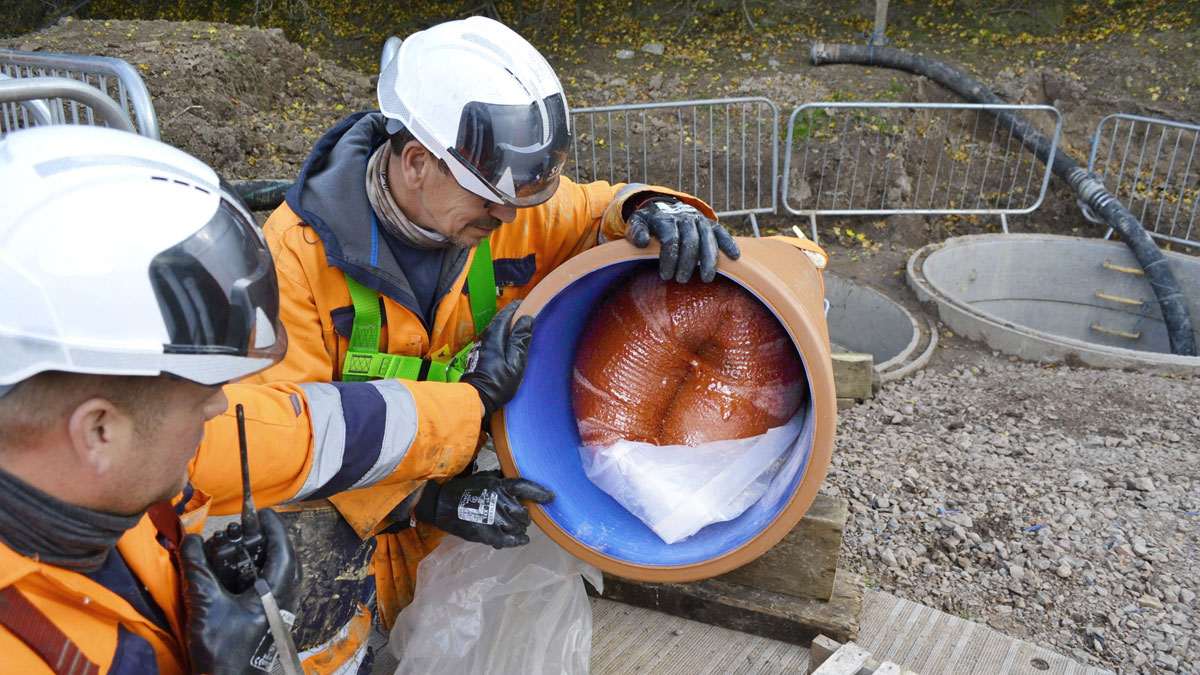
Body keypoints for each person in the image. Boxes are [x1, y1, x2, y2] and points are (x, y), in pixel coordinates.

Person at [243, 14, 743, 669]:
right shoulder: (297, 260)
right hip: (352, 512)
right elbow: (284, 443)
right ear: (418, 161)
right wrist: (427, 500)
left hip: (451, 483)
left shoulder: (496, 215)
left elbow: (599, 211)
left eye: (514, 200)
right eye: (488, 199)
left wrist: (653, 208)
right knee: (300, 586)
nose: (507, 217)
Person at [0, 123, 545, 674]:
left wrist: (468, 404)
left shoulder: (105, 486)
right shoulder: (26, 645)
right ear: (98, 430)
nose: (222, 408)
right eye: (203, 395)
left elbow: (316, 431)